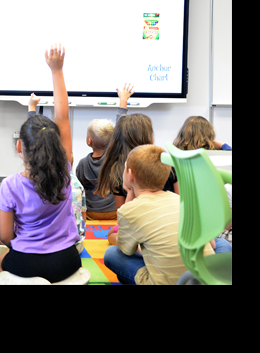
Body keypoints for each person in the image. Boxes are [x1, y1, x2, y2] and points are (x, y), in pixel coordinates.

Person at [0, 44, 82, 284]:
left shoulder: (9, 185)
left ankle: (12, 265)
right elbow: (62, 116)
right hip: (68, 261)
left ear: (19, 147)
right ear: (57, 146)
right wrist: (57, 70)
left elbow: (7, 236)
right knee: (6, 257)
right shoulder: (66, 170)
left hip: (27, 261)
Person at [103, 145, 215, 285]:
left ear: (130, 174)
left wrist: (130, 194)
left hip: (165, 282)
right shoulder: (181, 200)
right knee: (221, 244)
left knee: (112, 254)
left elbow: (126, 250)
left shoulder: (129, 210)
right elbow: (212, 243)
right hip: (204, 278)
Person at [95, 83, 178, 245]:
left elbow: (124, 215)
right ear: (149, 138)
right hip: (170, 225)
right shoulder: (168, 163)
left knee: (112, 238)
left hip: (139, 226)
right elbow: (180, 201)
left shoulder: (118, 170)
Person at [172, 115, 232, 253]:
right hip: (212, 221)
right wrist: (222, 145)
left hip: (180, 219)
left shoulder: (175, 158)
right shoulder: (215, 158)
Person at [75, 118, 116, 220]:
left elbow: (81, 186)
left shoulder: (83, 163)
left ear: (89, 141)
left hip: (91, 212)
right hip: (113, 212)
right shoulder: (115, 161)